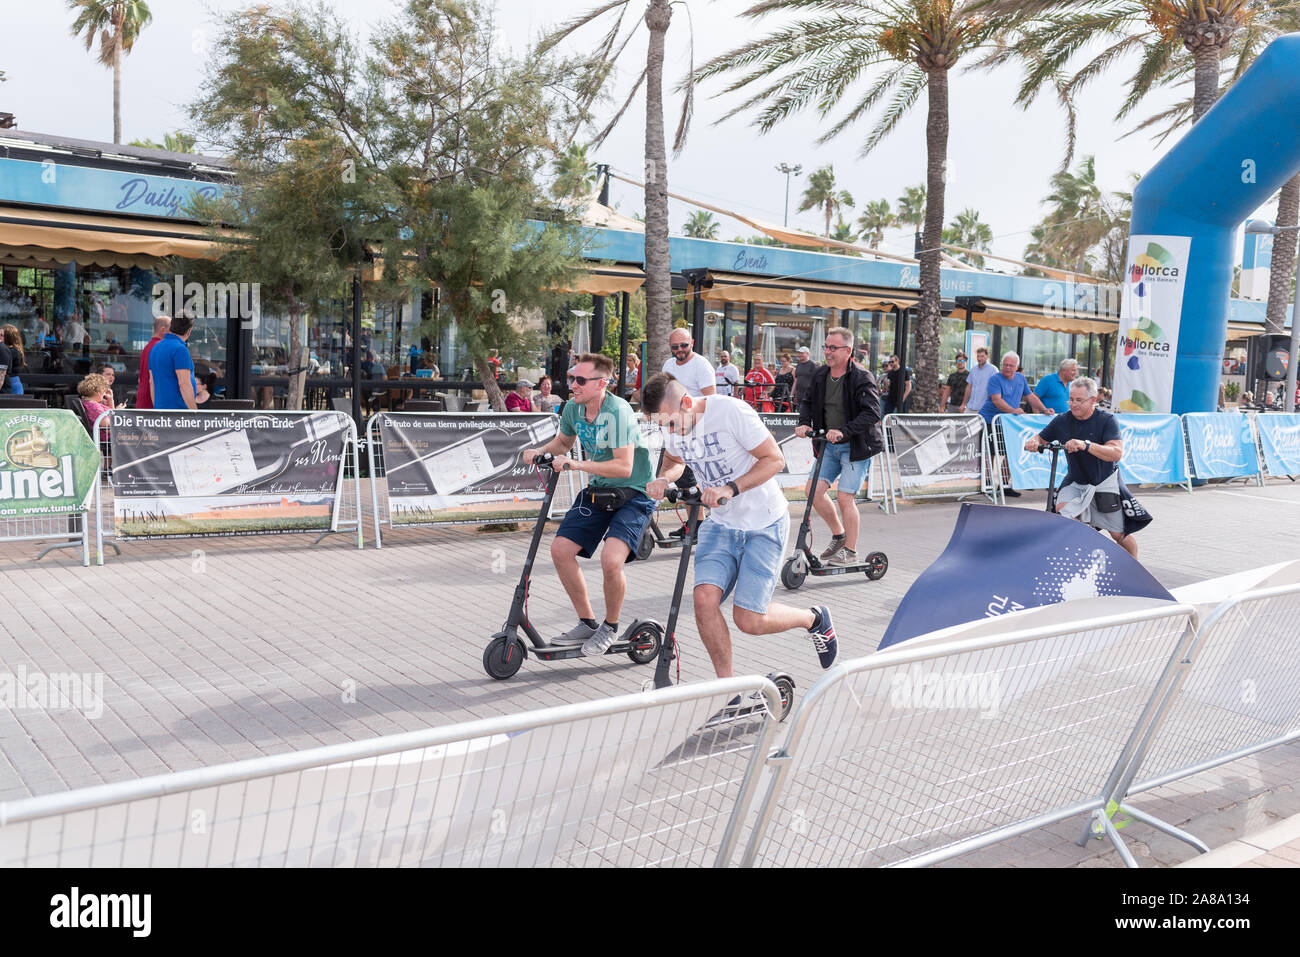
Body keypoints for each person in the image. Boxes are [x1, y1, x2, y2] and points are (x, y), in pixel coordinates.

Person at [642, 372, 840, 710]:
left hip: (763, 521)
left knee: (749, 620)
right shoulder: (672, 423)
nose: (669, 432)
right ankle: (729, 691)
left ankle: (814, 618)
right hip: (720, 525)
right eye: (663, 427)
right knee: (704, 600)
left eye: (673, 424)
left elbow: (774, 460)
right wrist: (663, 477)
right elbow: (674, 460)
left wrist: (730, 488)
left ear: (687, 403)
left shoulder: (731, 413)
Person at [520, 352, 656, 657]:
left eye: (580, 380)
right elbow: (564, 443)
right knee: (560, 550)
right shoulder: (573, 408)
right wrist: (539, 451)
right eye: (571, 378)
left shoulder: (618, 411)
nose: (573, 384)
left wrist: (576, 466)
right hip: (600, 489)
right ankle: (587, 621)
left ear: (601, 383)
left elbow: (623, 467)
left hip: (634, 492)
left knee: (611, 560)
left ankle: (610, 625)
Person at [1023, 377, 1148, 558]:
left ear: (1093, 400)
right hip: (1076, 481)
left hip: (1104, 481)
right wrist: (1033, 442)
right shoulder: (1063, 420)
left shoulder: (1107, 420)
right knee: (1063, 512)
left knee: (1118, 534)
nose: (1073, 404)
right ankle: (1087, 553)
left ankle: (1135, 566)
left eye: (1079, 400)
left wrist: (1086, 445)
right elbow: (1041, 437)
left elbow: (1116, 452)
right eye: (1071, 399)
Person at [795, 326, 883, 566]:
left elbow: (873, 413)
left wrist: (844, 431)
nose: (828, 352)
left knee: (845, 498)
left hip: (855, 447)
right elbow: (807, 401)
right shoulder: (821, 374)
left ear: (848, 350)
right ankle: (839, 535)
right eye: (826, 346)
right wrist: (804, 423)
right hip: (829, 446)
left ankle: (851, 551)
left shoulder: (861, 377)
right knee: (813, 490)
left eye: (833, 347)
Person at [981, 350, 1048, 497]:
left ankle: (1005, 485)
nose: (1008, 368)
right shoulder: (995, 379)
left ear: (1017, 367)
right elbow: (996, 400)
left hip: (1009, 423)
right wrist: (1013, 410)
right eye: (1005, 365)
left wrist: (1044, 409)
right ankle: (987, 484)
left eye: (1011, 365)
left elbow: (1030, 396)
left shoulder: (1020, 379)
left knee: (1011, 453)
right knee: (990, 453)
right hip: (990, 420)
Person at [148, 313, 209, 411]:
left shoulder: (155, 348)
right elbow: (184, 384)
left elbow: (152, 382)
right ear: (189, 331)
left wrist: (157, 408)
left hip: (160, 411)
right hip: (178, 413)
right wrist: (195, 412)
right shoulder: (180, 350)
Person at [661, 328, 716, 398]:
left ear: (692, 343)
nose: (679, 349)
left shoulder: (702, 365)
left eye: (684, 345)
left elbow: (712, 399)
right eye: (675, 347)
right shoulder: (668, 365)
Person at [136, 315, 171, 409]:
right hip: (153, 401)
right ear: (163, 330)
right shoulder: (161, 347)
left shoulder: (147, 347)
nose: (173, 334)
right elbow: (155, 379)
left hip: (144, 397)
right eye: (171, 330)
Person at [77, 372, 114, 441]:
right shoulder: (94, 407)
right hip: (108, 439)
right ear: (98, 391)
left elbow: (111, 415)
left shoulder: (87, 402)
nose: (104, 394)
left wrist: (110, 400)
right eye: (104, 391)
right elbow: (108, 424)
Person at [960, 345, 996, 414]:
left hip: (984, 408)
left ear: (987, 356)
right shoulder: (973, 370)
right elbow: (969, 387)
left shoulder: (993, 370)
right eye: (978, 356)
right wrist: (963, 404)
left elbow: (995, 389)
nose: (979, 358)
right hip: (970, 407)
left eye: (982, 356)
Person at [1, 325, 25, 395]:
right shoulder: (12, 350)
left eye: (1, 335)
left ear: (8, 337)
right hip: (12, 383)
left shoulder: (11, 351)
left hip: (11, 384)